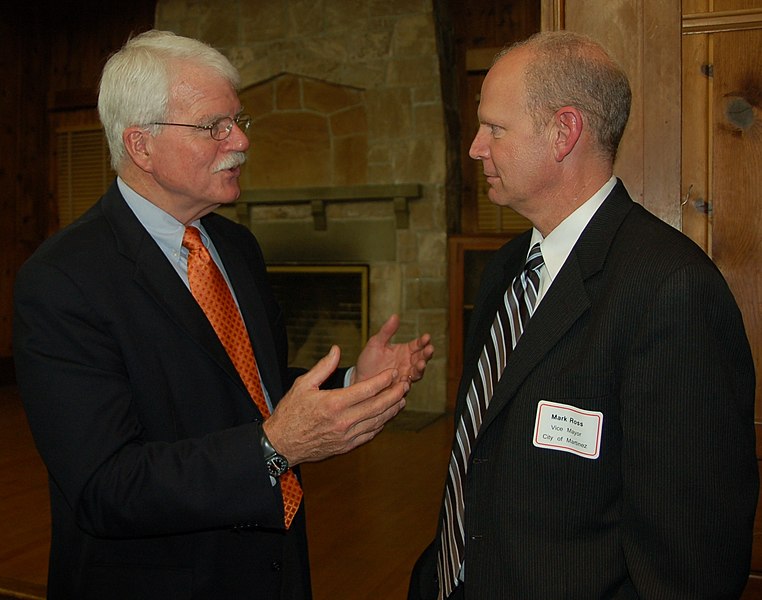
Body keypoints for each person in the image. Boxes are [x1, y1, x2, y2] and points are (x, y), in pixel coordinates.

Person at [13, 29, 434, 600]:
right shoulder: (63, 280)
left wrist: (355, 382)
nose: (239, 140)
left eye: (239, 122)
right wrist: (273, 448)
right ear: (141, 145)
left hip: (273, 570)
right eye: (214, 126)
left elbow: (249, 393)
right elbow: (105, 486)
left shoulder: (236, 248)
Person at [408, 30, 757, 600]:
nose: (475, 147)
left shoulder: (671, 290)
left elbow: (691, 562)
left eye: (495, 128)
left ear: (564, 132)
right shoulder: (504, 270)